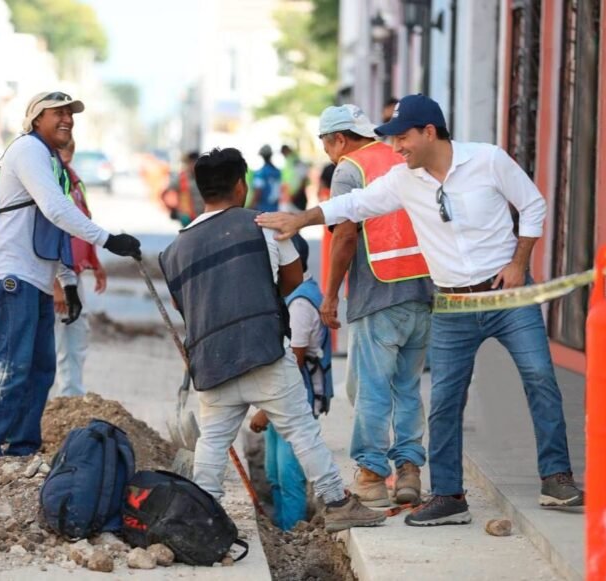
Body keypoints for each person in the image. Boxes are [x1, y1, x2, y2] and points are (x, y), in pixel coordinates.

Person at [256, 94, 584, 527]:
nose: (396, 148)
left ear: (430, 132)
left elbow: (533, 205)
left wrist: (520, 262)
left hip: (508, 297)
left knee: (540, 378)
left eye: (403, 138)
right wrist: (301, 219)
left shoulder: (488, 160)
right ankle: (449, 496)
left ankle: (557, 479)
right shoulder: (403, 179)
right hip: (449, 302)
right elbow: (353, 205)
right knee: (445, 398)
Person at [159, 147, 385, 533]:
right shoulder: (264, 225)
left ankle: (200, 516)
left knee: (212, 443)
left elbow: (186, 306)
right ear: (240, 185)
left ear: (200, 190)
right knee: (301, 429)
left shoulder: (173, 250)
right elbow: (294, 283)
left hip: (212, 361)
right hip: (263, 351)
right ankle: (335, 502)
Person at [0, 91, 141, 469]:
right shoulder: (28, 150)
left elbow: (54, 230)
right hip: (12, 275)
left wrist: (70, 282)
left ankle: (22, 448)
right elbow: (56, 209)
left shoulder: (49, 161)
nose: (67, 119)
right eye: (57, 113)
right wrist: (108, 239)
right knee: (12, 366)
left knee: (42, 367)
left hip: (37, 279)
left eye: (70, 113)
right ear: (35, 119)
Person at [317, 104, 433, 507]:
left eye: (326, 145)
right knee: (407, 387)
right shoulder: (404, 157)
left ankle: (369, 475)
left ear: (339, 139)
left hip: (379, 293)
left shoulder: (350, 168)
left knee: (370, 388)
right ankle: (409, 473)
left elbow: (345, 236)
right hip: (423, 291)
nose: (329, 154)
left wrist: (330, 295)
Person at [249, 234, 333, 530]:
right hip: (281, 396)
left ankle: (292, 533)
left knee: (289, 475)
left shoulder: (299, 304)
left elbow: (294, 362)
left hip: (295, 397)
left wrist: (263, 410)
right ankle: (280, 528)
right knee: (273, 472)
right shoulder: (293, 294)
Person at [51, 137, 107, 397]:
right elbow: (50, 236)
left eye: (67, 148)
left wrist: (94, 263)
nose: (65, 153)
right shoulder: (49, 184)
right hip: (59, 276)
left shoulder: (72, 181)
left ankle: (71, 393)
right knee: (62, 337)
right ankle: (60, 396)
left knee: (76, 333)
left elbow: (83, 225)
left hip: (74, 273)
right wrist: (58, 286)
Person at [162, 151, 202, 226]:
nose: (193, 165)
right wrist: (172, 209)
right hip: (187, 218)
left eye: (195, 162)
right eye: (191, 163)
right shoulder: (181, 178)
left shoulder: (205, 177)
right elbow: (164, 193)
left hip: (202, 216)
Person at [251, 144, 282, 212]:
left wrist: (251, 206)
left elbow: (258, 191)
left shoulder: (260, 173)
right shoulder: (278, 172)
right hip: (275, 209)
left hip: (262, 210)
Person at [280, 144, 309, 211]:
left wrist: (294, 195)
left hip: (297, 197)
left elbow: (303, 180)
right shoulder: (288, 162)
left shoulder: (296, 161)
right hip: (291, 197)